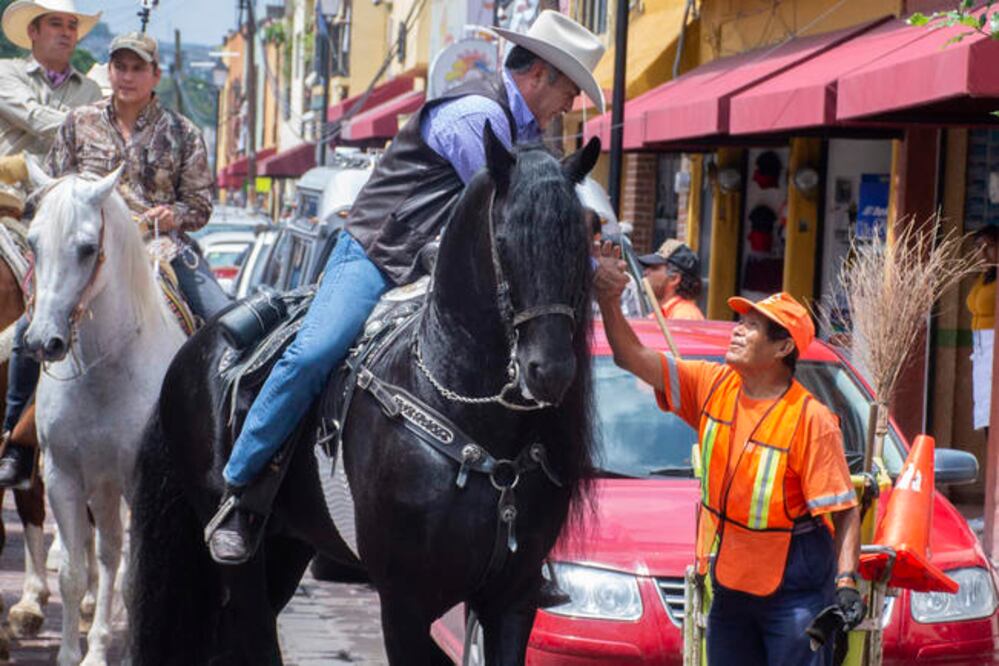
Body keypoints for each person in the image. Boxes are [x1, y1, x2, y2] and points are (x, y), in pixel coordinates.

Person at [206, 10, 606, 565]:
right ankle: (240, 491)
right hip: (378, 254)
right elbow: (516, 222)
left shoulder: (527, 134)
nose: (571, 104)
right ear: (540, 73)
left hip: (434, 271)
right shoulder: (478, 115)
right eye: (569, 90)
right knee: (315, 352)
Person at [593, 245, 863, 665]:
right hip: (732, 583)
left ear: (781, 349)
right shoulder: (712, 385)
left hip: (796, 590)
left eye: (752, 327)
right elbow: (631, 357)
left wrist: (846, 581)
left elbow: (844, 510)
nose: (738, 330)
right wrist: (608, 300)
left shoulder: (811, 419)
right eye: (741, 320)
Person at [0, 32, 227, 488]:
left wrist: (173, 213)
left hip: (160, 245)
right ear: (110, 71)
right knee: (30, 327)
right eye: (119, 67)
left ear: (155, 75)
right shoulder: (78, 123)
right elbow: (54, 190)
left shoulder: (183, 132)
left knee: (220, 316)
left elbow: (201, 205)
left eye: (137, 68)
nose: (126, 76)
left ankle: (219, 443)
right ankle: (18, 442)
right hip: (87, 248)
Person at [0, 0, 101, 158]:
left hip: (65, 181)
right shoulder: (5, 71)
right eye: (56, 24)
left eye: (72, 26)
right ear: (33, 31)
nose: (66, 33)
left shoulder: (90, 89)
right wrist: (87, 125)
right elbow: (34, 118)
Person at [968, 226, 997, 434]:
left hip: (993, 350)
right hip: (981, 353)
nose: (983, 253)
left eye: (990, 247)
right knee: (985, 414)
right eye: (979, 247)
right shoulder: (983, 277)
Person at [639, 239, 705, 320]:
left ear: (674, 279)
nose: (645, 273)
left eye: (654, 268)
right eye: (646, 268)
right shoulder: (661, 313)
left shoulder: (684, 316)